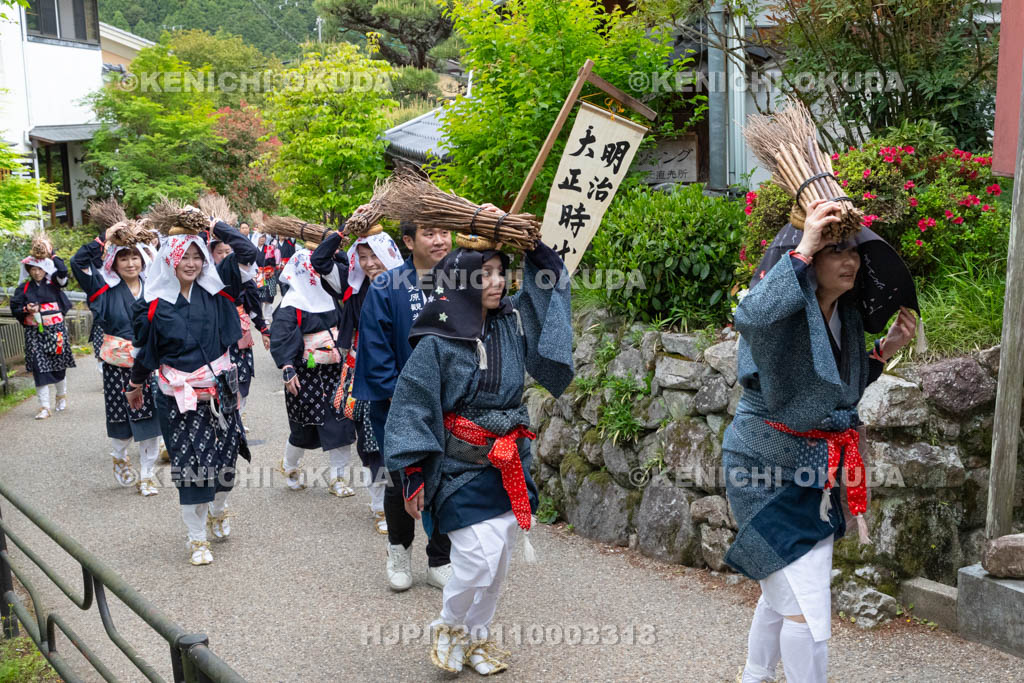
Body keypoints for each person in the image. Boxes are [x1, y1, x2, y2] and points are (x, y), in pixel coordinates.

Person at [725, 200, 918, 683]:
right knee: (806, 606)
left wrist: (885, 350)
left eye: (853, 251)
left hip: (815, 473)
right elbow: (750, 316)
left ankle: (753, 677)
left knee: (783, 594)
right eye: (836, 251)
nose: (849, 261)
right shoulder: (782, 307)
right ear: (810, 258)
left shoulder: (845, 315)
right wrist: (805, 244)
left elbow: (837, 391)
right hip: (763, 468)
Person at [383, 233, 573, 675]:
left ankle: (477, 637)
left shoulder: (513, 320)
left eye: (500, 272)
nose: (497, 282)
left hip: (507, 463)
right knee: (474, 562)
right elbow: (411, 404)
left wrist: (533, 247)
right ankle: (449, 626)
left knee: (498, 565)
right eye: (484, 274)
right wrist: (412, 473)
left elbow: (552, 286)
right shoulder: (439, 338)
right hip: (458, 468)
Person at [128, 217, 258, 566]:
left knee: (226, 462)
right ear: (169, 259)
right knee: (192, 468)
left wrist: (216, 226)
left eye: (197, 256)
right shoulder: (153, 304)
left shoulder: (218, 291)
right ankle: (196, 538)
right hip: (177, 398)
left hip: (219, 392)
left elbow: (248, 252)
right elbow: (146, 352)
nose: (191, 263)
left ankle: (219, 509)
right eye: (183, 256)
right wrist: (135, 384)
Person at [353, 220, 454, 592]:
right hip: (398, 404)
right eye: (430, 233)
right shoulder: (386, 286)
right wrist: (403, 398)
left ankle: (440, 559)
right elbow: (376, 349)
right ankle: (398, 552)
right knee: (399, 480)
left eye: (445, 232)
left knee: (446, 478)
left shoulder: (461, 280)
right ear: (409, 241)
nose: (440, 240)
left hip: (450, 404)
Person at [311, 226, 404, 534]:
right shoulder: (352, 286)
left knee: (404, 438)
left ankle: (407, 498)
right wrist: (342, 233)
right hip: (364, 371)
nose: (369, 264)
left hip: (404, 371)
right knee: (371, 441)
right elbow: (320, 260)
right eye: (363, 257)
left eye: (375, 256)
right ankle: (380, 506)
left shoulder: (408, 284)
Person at [71, 223, 162, 495]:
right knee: (121, 423)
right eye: (124, 258)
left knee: (150, 422)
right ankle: (120, 456)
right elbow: (77, 263)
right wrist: (105, 237)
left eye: (135, 257)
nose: (131, 263)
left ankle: (147, 476)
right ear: (114, 262)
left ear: (143, 259)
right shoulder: (103, 289)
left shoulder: (154, 288)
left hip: (148, 365)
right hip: (117, 366)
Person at [269, 248, 356, 499]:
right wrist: (287, 367)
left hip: (335, 370)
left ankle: (338, 478)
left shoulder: (331, 297)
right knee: (303, 429)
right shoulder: (291, 306)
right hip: (306, 373)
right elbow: (281, 337)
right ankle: (290, 466)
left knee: (341, 424)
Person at [10, 237, 75, 419]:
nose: (37, 272)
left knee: (58, 366)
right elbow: (15, 307)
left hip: (56, 330)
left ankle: (61, 396)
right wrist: (26, 309)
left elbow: (62, 271)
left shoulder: (54, 283)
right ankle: (44, 407)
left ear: (45, 269)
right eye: (33, 269)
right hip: (34, 333)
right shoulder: (24, 289)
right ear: (28, 270)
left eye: (40, 268)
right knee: (39, 368)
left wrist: (51, 253)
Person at [209, 236, 270, 427]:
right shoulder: (206, 277)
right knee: (217, 378)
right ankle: (220, 420)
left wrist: (263, 329)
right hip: (216, 335)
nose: (224, 256)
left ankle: (236, 419)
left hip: (239, 335)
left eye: (228, 252)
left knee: (242, 377)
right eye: (220, 252)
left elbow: (253, 306)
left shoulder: (243, 276)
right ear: (211, 254)